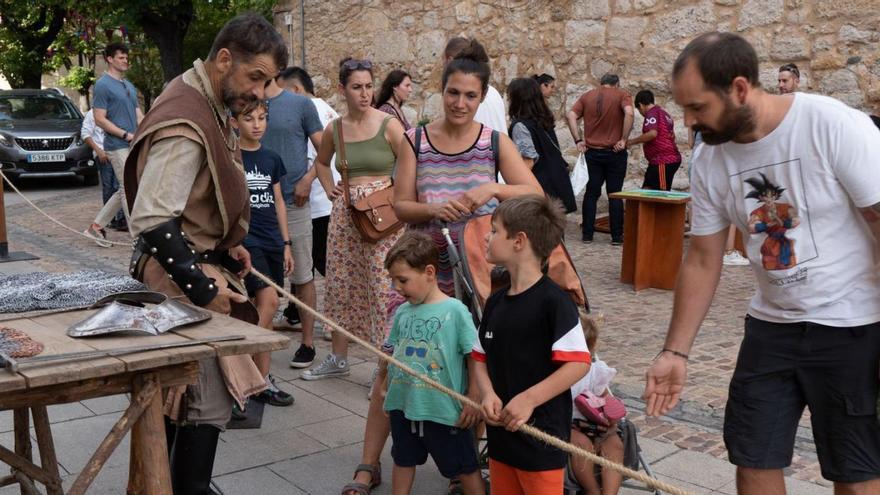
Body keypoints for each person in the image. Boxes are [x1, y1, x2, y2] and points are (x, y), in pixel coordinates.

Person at [644, 32, 880, 495]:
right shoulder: (709, 158)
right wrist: (675, 351)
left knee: (854, 473)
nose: (689, 121)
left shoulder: (833, 125)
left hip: (851, 326)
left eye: (698, 107)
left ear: (738, 88)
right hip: (770, 329)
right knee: (752, 457)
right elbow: (704, 257)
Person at [124, 13, 287, 493]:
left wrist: (227, 247)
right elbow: (153, 217)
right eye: (255, 76)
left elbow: (195, 197)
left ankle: (177, 482)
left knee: (181, 399)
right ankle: (189, 486)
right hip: (179, 280)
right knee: (202, 399)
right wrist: (202, 286)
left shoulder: (202, 97)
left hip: (198, 263)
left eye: (268, 81)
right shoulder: (186, 117)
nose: (260, 92)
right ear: (223, 60)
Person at [472, 195, 590, 495]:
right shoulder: (495, 301)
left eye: (495, 230)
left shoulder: (555, 303)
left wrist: (529, 399)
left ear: (518, 241)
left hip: (540, 440)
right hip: (501, 440)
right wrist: (486, 394)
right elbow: (479, 357)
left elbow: (577, 363)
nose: (487, 235)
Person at [305, 57, 407, 381]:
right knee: (340, 285)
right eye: (356, 87)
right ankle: (338, 358)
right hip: (346, 216)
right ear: (342, 90)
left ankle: (385, 368)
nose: (364, 94)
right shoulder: (336, 128)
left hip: (384, 217)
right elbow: (322, 163)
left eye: (368, 86)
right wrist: (329, 187)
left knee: (381, 287)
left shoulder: (388, 125)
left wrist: (397, 195)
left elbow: (411, 164)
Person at [382, 231, 484, 495]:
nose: (396, 288)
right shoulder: (403, 311)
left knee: (465, 466)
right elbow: (394, 351)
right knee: (402, 458)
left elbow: (474, 354)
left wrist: (474, 395)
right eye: (393, 280)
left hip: (443, 409)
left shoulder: (455, 311)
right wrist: (386, 386)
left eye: (402, 280)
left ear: (429, 272)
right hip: (403, 405)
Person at [230, 99, 295, 409]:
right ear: (234, 122)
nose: (257, 124)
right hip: (247, 240)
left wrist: (286, 243)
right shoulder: (232, 157)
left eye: (262, 118)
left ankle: (261, 380)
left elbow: (278, 201)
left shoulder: (271, 158)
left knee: (268, 306)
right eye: (249, 118)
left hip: (271, 239)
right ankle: (249, 375)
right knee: (268, 303)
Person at [261, 72, 323, 369]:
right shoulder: (242, 104)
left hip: (293, 202)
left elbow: (326, 149)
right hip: (256, 206)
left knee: (302, 275)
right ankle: (259, 345)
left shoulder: (300, 105)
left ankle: (308, 342)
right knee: (260, 278)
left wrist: (308, 179)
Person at [277, 66, 339, 341]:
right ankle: (293, 311)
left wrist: (305, 180)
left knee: (318, 264)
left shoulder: (305, 109)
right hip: (324, 199)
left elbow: (321, 154)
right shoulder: (330, 110)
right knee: (305, 266)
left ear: (294, 90)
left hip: (314, 201)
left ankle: (336, 322)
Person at [84, 41, 143, 246]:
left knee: (126, 188)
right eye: (121, 57)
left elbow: (138, 114)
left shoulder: (129, 86)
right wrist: (125, 134)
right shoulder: (102, 85)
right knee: (128, 189)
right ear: (109, 59)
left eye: (126, 58)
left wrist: (145, 132)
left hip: (133, 144)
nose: (125, 61)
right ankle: (138, 237)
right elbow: (99, 118)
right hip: (117, 145)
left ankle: (96, 227)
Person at [566, 73, 634, 245]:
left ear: (601, 83)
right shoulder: (622, 94)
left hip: (592, 152)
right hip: (615, 152)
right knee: (615, 194)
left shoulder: (588, 96)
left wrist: (578, 140)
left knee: (591, 193)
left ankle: (587, 235)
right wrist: (624, 140)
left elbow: (571, 116)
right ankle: (616, 236)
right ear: (616, 84)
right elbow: (629, 113)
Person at [569, 311, 624, 495]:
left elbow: (606, 397)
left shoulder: (595, 372)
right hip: (569, 424)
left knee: (615, 445)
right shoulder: (555, 375)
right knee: (582, 445)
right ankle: (592, 491)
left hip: (596, 422)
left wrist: (611, 411)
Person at [507, 77, 576, 213]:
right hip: (557, 185)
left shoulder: (521, 126)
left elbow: (528, 162)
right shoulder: (543, 121)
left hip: (540, 191)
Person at [443, 36, 508, 135]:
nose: (460, 104)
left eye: (471, 96)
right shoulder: (494, 92)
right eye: (453, 92)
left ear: (449, 60)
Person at [81, 108, 126, 233]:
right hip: (103, 153)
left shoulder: (116, 112)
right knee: (109, 187)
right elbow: (86, 134)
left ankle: (121, 219)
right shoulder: (92, 114)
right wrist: (99, 151)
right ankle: (109, 220)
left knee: (120, 186)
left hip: (118, 152)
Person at [627, 89, 682, 191]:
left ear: (641, 105)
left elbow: (652, 133)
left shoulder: (651, 113)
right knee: (647, 190)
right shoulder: (665, 114)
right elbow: (672, 135)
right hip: (659, 161)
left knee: (660, 195)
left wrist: (631, 142)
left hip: (663, 160)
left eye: (639, 110)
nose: (641, 113)